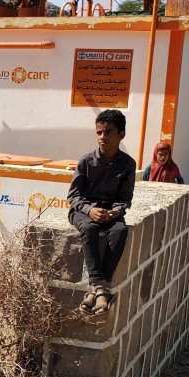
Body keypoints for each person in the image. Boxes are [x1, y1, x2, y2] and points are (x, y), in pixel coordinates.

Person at [67, 109, 136, 315]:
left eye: (109, 132)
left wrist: (116, 211)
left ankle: (94, 291)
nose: (102, 137)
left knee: (119, 231)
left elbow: (125, 198)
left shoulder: (128, 164)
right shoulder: (86, 161)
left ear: (121, 135)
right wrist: (90, 210)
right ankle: (101, 288)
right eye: (99, 132)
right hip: (83, 211)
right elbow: (73, 196)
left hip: (110, 213)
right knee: (89, 229)